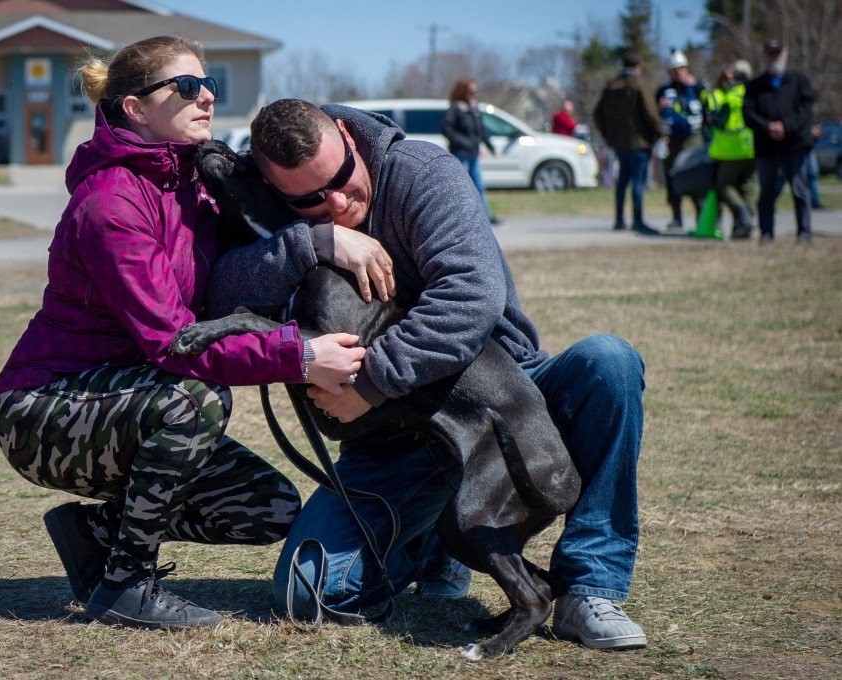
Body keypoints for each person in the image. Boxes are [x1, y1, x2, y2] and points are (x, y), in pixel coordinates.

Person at [207, 98, 650, 651]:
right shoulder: (282, 215)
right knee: (310, 592)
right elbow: (220, 296)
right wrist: (312, 241)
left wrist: (371, 383)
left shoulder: (421, 172)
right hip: (394, 439)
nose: (339, 203)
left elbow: (470, 298)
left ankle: (588, 585)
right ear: (278, 190)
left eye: (342, 180)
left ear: (347, 135)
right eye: (312, 200)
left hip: (498, 391)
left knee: (608, 361)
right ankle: (437, 540)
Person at [0, 36, 366, 630]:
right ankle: (125, 584)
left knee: (267, 509)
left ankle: (94, 533)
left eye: (209, 82)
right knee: (194, 400)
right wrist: (298, 356)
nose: (207, 97)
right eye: (186, 87)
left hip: (128, 397)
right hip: (44, 409)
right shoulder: (110, 204)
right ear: (136, 109)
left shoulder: (192, 181)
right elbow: (174, 343)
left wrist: (322, 236)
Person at [743, 39, 817, 244]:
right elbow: (748, 113)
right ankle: (766, 233)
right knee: (766, 191)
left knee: (800, 190)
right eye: (770, 53)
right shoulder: (755, 86)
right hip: (767, 146)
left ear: (785, 54)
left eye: (778, 53)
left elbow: (805, 110)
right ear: (765, 56)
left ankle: (804, 232)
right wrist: (768, 127)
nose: (774, 57)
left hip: (794, 144)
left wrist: (785, 125)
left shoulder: (799, 81)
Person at [593, 49, 666, 236]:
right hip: (639, 142)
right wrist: (661, 133)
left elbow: (597, 114)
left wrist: (608, 135)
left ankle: (619, 219)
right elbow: (651, 113)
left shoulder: (612, 86)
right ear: (638, 65)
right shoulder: (639, 85)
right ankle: (638, 220)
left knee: (622, 181)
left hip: (619, 143)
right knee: (638, 182)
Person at [701, 59, 757, 239]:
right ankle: (746, 224)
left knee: (724, 185)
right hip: (751, 146)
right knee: (748, 186)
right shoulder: (755, 92)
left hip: (731, 148)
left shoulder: (731, 94)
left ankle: (744, 218)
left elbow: (719, 121)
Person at [656, 49, 709, 230]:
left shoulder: (697, 87)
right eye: (674, 69)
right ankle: (676, 217)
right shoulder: (664, 91)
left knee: (695, 176)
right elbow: (654, 114)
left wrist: (699, 87)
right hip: (672, 139)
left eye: (681, 68)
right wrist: (659, 106)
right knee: (672, 178)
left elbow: (710, 105)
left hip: (693, 139)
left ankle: (701, 218)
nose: (679, 72)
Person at [441, 78, 502, 224]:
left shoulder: (474, 109)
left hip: (473, 153)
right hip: (460, 153)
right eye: (472, 92)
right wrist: (463, 143)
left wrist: (490, 146)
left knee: (479, 185)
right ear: (463, 92)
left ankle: (485, 217)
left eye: (476, 92)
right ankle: (458, 218)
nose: (475, 94)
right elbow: (446, 128)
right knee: (460, 185)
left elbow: (481, 130)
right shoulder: (456, 109)